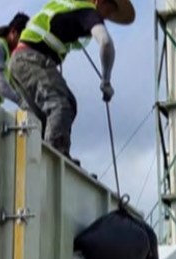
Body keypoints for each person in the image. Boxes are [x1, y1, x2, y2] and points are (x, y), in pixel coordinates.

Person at [9, 0, 135, 161]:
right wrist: (106, 81)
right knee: (60, 105)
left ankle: (34, 154)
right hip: (32, 59)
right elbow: (105, 42)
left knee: (56, 108)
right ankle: (54, 158)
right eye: (109, 11)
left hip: (19, 61)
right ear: (100, 2)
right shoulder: (89, 11)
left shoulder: (66, 5)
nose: (106, 17)